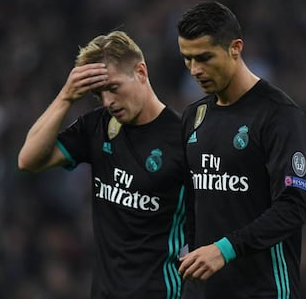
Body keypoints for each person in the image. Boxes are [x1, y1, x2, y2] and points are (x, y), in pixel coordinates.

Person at [18, 31, 186, 299]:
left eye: (113, 87)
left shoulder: (184, 139)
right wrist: (65, 97)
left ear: (141, 72)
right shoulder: (96, 126)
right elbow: (28, 159)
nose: (107, 101)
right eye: (98, 93)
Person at [177, 1, 306, 298]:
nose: (195, 70)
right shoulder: (193, 116)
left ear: (235, 48)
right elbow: (191, 205)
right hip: (203, 291)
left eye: (204, 57)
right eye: (187, 59)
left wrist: (225, 249)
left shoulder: (279, 115)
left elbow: (292, 208)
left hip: (262, 289)